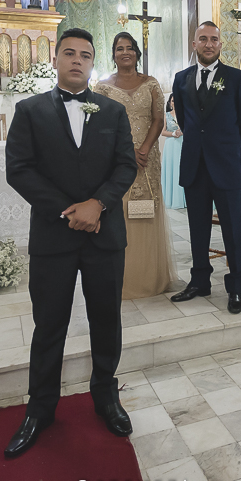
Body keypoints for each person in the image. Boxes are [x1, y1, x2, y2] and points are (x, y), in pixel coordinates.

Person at [4, 28, 138, 456]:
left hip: (104, 234)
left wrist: (98, 204)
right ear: (55, 59)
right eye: (69, 53)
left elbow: (126, 165)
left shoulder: (113, 112)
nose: (77, 60)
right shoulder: (29, 111)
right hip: (53, 236)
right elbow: (19, 169)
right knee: (49, 324)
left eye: (85, 54)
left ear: (93, 62)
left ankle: (106, 396)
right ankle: (40, 408)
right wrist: (68, 211)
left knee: (106, 319)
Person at [170, 22, 241, 315]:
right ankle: (199, 282)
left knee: (232, 229)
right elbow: (184, 119)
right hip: (194, 164)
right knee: (197, 228)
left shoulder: (237, 78)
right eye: (203, 39)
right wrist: (200, 145)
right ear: (194, 43)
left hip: (225, 165)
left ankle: (235, 288)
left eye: (214, 39)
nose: (209, 44)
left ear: (221, 44)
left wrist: (227, 148)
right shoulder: (181, 79)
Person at [94, 33, 175, 299]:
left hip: (147, 158)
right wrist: (128, 152)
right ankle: (123, 277)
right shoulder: (102, 87)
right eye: (120, 48)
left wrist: (144, 149)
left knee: (147, 209)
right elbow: (99, 125)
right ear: (113, 54)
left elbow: (158, 119)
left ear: (137, 53)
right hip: (116, 158)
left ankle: (149, 278)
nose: (125, 52)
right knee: (121, 211)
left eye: (130, 48)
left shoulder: (150, 83)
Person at [160, 96, 186, 209]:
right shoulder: (166, 115)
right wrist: (173, 134)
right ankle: (172, 199)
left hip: (183, 143)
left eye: (176, 100)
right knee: (172, 169)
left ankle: (184, 199)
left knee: (182, 169)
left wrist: (183, 132)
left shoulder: (185, 114)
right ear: (170, 103)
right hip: (171, 145)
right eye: (173, 100)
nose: (174, 102)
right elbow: (163, 132)